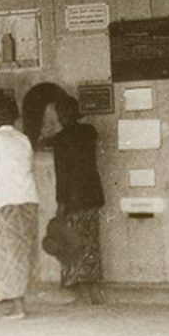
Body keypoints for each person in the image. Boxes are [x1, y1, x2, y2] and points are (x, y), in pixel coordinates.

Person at [0, 95, 40, 320]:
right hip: (28, 201)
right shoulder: (24, 140)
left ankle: (17, 307)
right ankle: (18, 302)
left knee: (6, 255)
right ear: (16, 117)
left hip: (5, 203)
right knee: (22, 253)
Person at [51, 95, 106, 304]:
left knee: (74, 245)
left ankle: (81, 295)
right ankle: (94, 293)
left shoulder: (60, 139)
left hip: (73, 200)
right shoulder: (89, 131)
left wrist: (60, 204)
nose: (59, 117)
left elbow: (62, 175)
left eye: (60, 113)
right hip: (92, 196)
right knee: (91, 243)